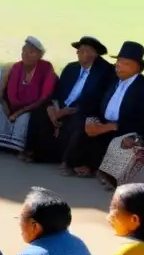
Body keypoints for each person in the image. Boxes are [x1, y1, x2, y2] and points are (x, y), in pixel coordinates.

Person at [62, 41, 144, 178]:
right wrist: (92, 119)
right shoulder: (113, 80)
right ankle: (76, 163)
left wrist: (110, 127)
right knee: (83, 126)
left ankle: (98, 169)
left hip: (124, 129)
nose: (119, 66)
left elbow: (141, 121)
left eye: (125, 63)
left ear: (137, 67)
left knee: (116, 141)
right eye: (118, 61)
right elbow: (94, 100)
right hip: (105, 124)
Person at [24, 36, 112, 164]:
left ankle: (67, 160)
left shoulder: (104, 72)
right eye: (79, 51)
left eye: (86, 51)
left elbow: (96, 99)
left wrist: (65, 112)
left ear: (95, 54)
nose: (81, 54)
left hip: (80, 110)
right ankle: (32, 152)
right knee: (40, 111)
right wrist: (52, 107)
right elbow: (56, 90)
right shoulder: (72, 68)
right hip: (61, 106)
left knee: (77, 122)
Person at [0, 36, 55, 154]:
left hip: (33, 107)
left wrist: (19, 112)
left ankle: (16, 146)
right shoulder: (17, 67)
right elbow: (11, 95)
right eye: (24, 51)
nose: (26, 55)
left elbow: (43, 96)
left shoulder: (46, 68)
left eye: (31, 52)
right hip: (14, 106)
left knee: (26, 117)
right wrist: (11, 110)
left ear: (39, 55)